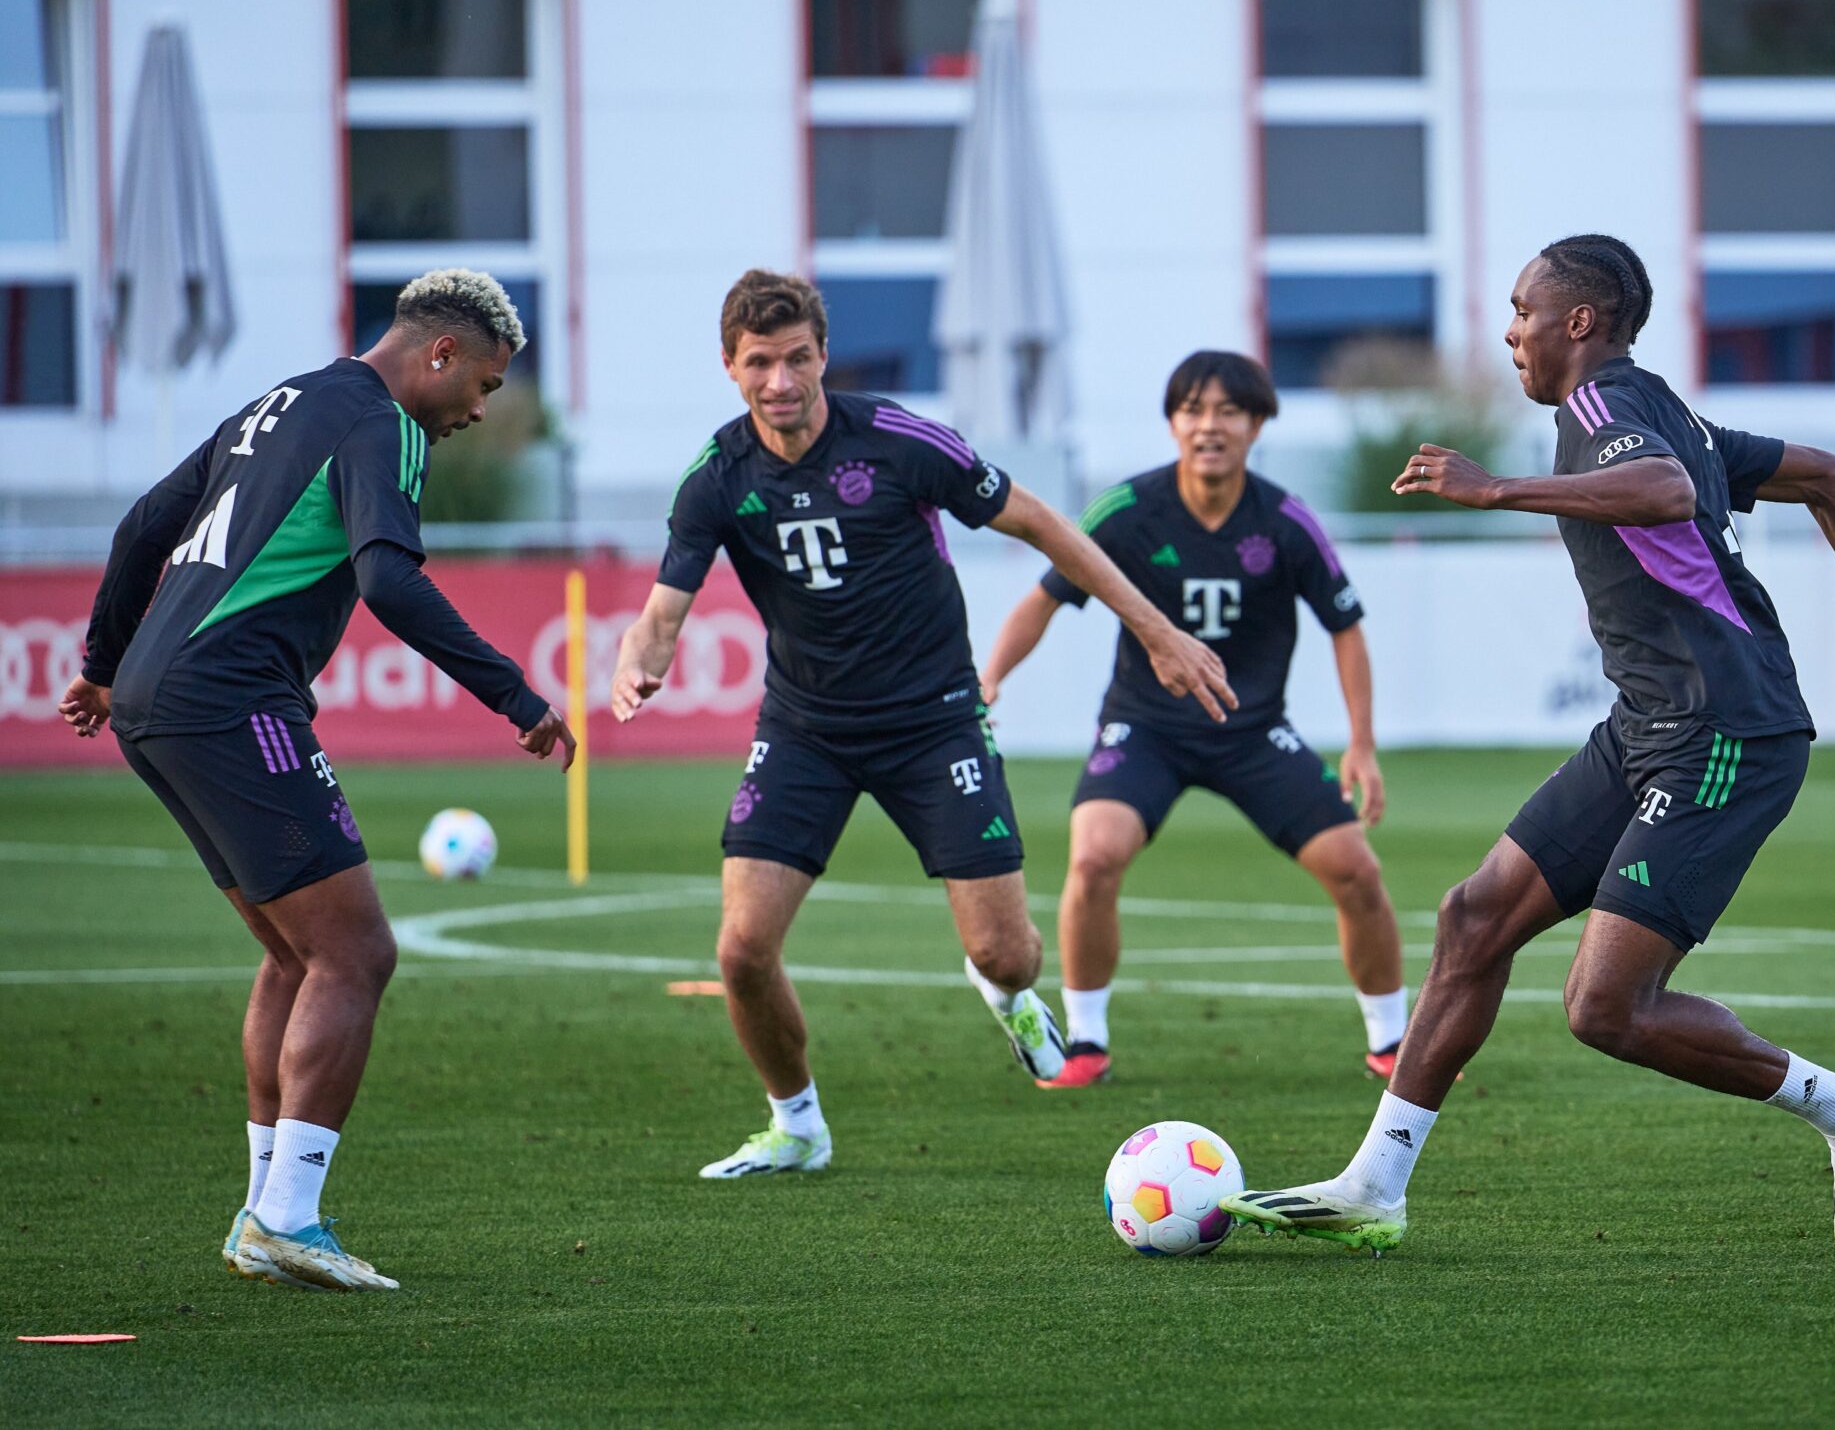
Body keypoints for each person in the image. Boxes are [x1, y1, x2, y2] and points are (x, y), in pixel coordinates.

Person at [1222, 234, 1835, 1254]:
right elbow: (1830, 476)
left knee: (1605, 1009)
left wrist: (1495, 490)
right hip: (1647, 726)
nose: (1511, 331)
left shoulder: (1605, 409)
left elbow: (1663, 494)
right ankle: (1374, 1186)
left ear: (1579, 323)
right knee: (1472, 919)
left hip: (1723, 731)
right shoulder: (1657, 411)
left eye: (1521, 309)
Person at [610, 272, 1234, 1180]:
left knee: (1008, 952)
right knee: (742, 949)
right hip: (804, 727)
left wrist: (1156, 628)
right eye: (758, 364)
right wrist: (639, 655)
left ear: (823, 354)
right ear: (729, 367)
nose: (780, 381)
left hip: (935, 720)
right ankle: (796, 1124)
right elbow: (664, 608)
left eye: (795, 359)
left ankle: (1009, 996)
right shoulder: (716, 476)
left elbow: (1042, 522)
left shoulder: (900, 441)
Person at [57, 269, 576, 1293]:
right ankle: (288, 1218)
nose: (482, 408)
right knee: (356, 953)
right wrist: (514, 694)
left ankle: (264, 1214)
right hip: (230, 697)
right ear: (441, 354)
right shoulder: (386, 426)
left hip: (162, 701)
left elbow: (139, 529)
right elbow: (391, 579)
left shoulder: (276, 402)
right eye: (486, 381)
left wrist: (106, 666)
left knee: (296, 959)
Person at [980, 350, 1403, 1085]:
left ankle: (1393, 1042)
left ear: (1257, 424)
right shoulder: (1127, 510)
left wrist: (1361, 742)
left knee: (1356, 869)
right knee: (1094, 855)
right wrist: (988, 678)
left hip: (1252, 731)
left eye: (1228, 411)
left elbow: (1346, 625)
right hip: (1147, 728)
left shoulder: (1285, 520)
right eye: (1193, 409)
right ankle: (1085, 1042)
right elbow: (1045, 597)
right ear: (1173, 422)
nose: (1209, 425)